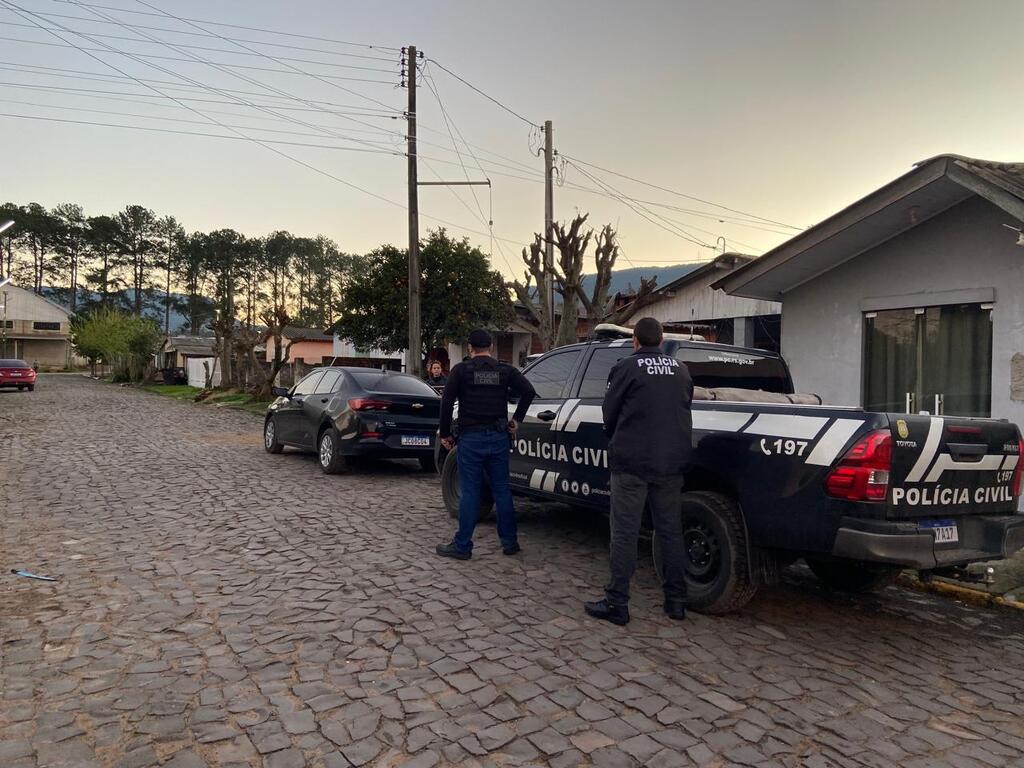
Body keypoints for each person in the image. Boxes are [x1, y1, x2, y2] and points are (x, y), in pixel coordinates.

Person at [584, 317, 693, 626]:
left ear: (635, 341)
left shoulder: (625, 368)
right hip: (671, 462)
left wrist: (614, 434)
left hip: (631, 462)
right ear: (660, 341)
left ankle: (617, 603)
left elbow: (610, 413)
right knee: (669, 532)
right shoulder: (681, 369)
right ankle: (676, 602)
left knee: (624, 533)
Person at [436, 329, 536, 560]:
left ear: (470, 348)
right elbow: (529, 392)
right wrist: (516, 420)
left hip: (471, 439)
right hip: (499, 436)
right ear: (491, 347)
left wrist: (445, 434)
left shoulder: (461, 371)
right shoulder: (505, 371)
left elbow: (447, 401)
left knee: (470, 491)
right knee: (502, 489)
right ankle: (510, 543)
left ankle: (462, 546)